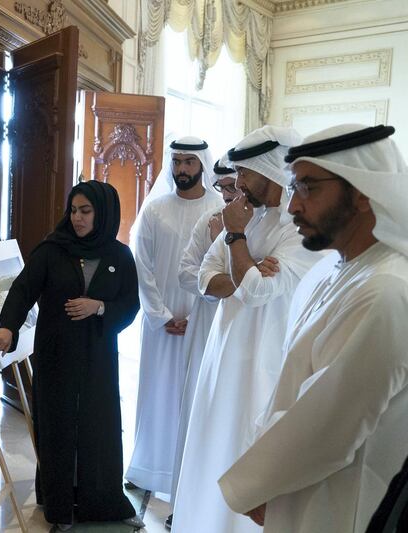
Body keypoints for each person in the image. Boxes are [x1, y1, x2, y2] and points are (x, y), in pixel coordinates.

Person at [218, 124, 408, 533]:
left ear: (360, 192)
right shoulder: (341, 271)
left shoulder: (386, 290)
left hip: (340, 500)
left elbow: (328, 426)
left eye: (307, 188)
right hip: (298, 485)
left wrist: (256, 483)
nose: (292, 207)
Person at [172, 125, 319, 533]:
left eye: (244, 174)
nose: (237, 184)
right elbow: (205, 277)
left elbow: (256, 293)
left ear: (269, 170)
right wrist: (248, 268)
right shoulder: (247, 214)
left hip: (266, 359)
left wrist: (236, 240)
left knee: (247, 448)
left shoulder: (296, 228)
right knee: (214, 445)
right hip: (223, 353)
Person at [0, 180, 144, 530]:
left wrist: (99, 307)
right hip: (56, 354)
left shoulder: (119, 256)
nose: (77, 218)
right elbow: (23, 289)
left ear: (102, 213)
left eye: (85, 211)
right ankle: (59, 507)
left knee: (97, 428)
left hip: (98, 358)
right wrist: (8, 328)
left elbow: (130, 305)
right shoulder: (52, 250)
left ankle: (101, 502)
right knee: (56, 428)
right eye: (73, 210)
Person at [125, 137, 223, 495]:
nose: (182, 169)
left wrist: (195, 315)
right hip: (160, 322)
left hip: (204, 316)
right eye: (178, 162)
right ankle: (149, 468)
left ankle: (187, 475)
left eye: (189, 162)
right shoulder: (155, 210)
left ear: (201, 166)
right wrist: (162, 314)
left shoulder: (218, 208)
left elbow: (220, 266)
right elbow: (142, 264)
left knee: (194, 393)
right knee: (157, 391)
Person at [166, 158, 244, 528]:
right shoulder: (210, 221)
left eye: (235, 188)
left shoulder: (269, 224)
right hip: (207, 328)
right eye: (224, 188)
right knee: (199, 408)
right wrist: (230, 271)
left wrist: (225, 275)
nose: (228, 196)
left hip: (247, 334)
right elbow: (186, 274)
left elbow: (267, 282)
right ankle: (187, 504)